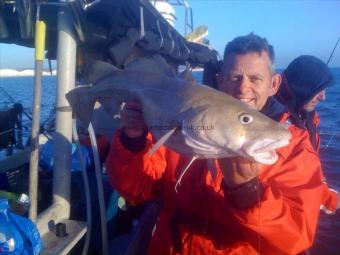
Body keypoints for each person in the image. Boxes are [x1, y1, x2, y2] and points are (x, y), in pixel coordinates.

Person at [106, 33, 325, 254]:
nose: (243, 88)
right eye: (234, 77)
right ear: (220, 80)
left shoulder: (295, 146)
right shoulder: (183, 122)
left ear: (274, 83)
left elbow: (295, 237)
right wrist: (133, 140)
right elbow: (136, 190)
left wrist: (248, 193)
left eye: (255, 78)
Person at [276, 55, 339, 214]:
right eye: (318, 90)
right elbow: (295, 184)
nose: (323, 97)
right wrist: (330, 199)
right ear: (301, 87)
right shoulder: (281, 130)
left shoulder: (306, 116)